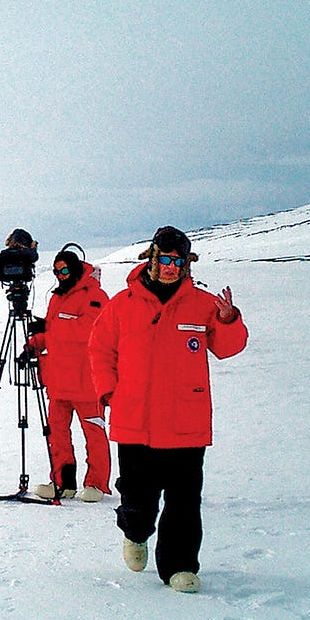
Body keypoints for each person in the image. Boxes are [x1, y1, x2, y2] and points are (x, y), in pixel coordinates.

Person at [88, 226, 248, 593]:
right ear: (152, 259)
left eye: (179, 261)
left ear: (186, 264)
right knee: (138, 498)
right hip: (134, 420)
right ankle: (136, 533)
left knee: (184, 500)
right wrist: (110, 391)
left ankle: (179, 566)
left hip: (185, 422)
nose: (172, 267)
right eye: (166, 260)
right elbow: (100, 350)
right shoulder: (122, 304)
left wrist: (227, 320)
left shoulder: (203, 304)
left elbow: (227, 348)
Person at [25, 247, 110, 502]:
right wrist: (33, 344)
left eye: (64, 270)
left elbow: (87, 332)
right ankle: (62, 482)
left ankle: (96, 484)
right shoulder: (57, 298)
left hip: (87, 382)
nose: (61, 275)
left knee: (93, 435)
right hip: (59, 380)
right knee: (57, 433)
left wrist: (49, 330)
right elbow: (55, 332)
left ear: (74, 269)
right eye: (56, 271)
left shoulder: (95, 296)